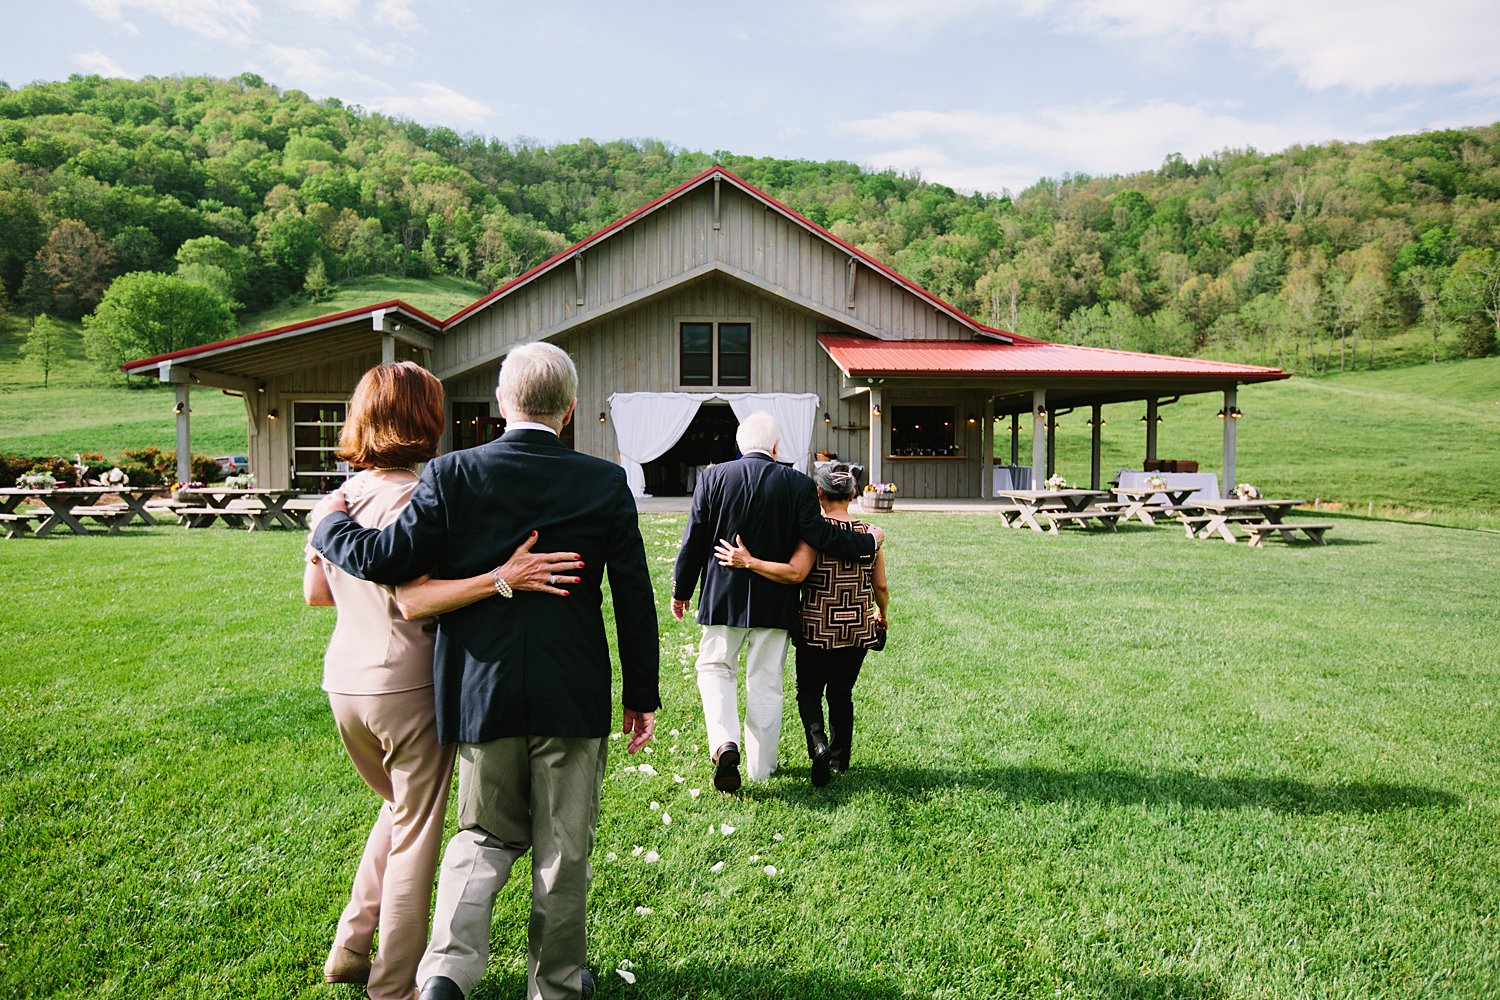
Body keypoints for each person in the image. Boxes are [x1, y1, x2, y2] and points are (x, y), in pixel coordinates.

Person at [310, 342, 660, 1000]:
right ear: (571, 409)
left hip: (479, 687)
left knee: (481, 835)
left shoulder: (451, 475)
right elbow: (633, 597)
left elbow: (387, 559)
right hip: (570, 688)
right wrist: (641, 695)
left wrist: (328, 526)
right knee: (562, 849)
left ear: (502, 405)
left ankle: (446, 972)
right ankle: (555, 985)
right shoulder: (603, 481)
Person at [671, 411, 881, 792]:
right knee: (766, 682)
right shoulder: (797, 484)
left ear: (739, 444)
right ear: (775, 447)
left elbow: (694, 538)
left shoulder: (713, 477)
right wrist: (867, 542)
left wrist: (681, 590)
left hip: (723, 597)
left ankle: (724, 743)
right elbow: (819, 534)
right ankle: (760, 768)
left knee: (716, 669)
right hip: (776, 601)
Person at [714, 463, 890, 786]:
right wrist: (883, 613)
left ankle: (818, 743)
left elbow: (794, 573)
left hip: (815, 630)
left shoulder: (813, 534)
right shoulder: (871, 535)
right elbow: (880, 586)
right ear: (852, 495)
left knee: (808, 692)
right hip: (856, 629)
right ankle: (839, 760)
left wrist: (750, 562)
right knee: (842, 693)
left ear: (819, 494)